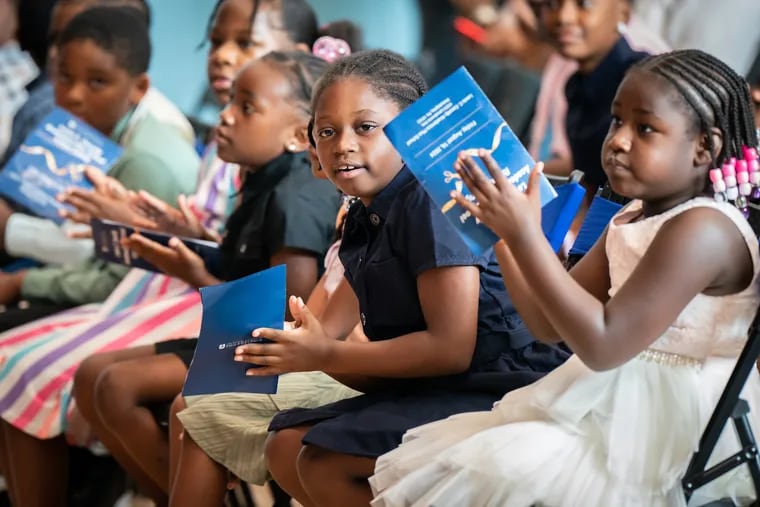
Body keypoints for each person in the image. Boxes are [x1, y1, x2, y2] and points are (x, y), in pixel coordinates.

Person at [370, 49, 760, 506]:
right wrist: (503, 236)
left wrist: (527, 234)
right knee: (470, 461)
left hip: (670, 430)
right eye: (616, 122)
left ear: (704, 148)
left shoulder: (704, 228)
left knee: (497, 469)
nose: (618, 141)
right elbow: (548, 326)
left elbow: (603, 344)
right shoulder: (636, 214)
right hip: (604, 396)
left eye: (645, 128)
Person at [230, 49, 569, 506]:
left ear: (411, 133)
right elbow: (327, 328)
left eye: (366, 128)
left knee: (322, 461)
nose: (342, 145)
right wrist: (289, 345)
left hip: (500, 382)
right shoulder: (362, 213)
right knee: (285, 445)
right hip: (441, 382)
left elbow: (451, 348)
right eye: (326, 132)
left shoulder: (429, 202)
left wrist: (323, 352)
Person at [76, 51, 340, 507]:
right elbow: (246, 266)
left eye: (246, 107)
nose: (225, 116)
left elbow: (290, 312)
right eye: (229, 102)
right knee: (93, 373)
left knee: (118, 386)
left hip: (263, 346)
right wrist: (190, 238)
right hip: (237, 331)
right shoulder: (261, 178)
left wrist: (197, 276)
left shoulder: (296, 196)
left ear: (299, 135)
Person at [0, 7, 199, 506]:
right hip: (123, 294)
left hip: (147, 307)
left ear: (137, 87)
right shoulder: (104, 137)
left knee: (17, 356)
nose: (73, 96)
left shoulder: (146, 160)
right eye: (64, 78)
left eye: (97, 82)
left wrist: (23, 285)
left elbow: (116, 279)